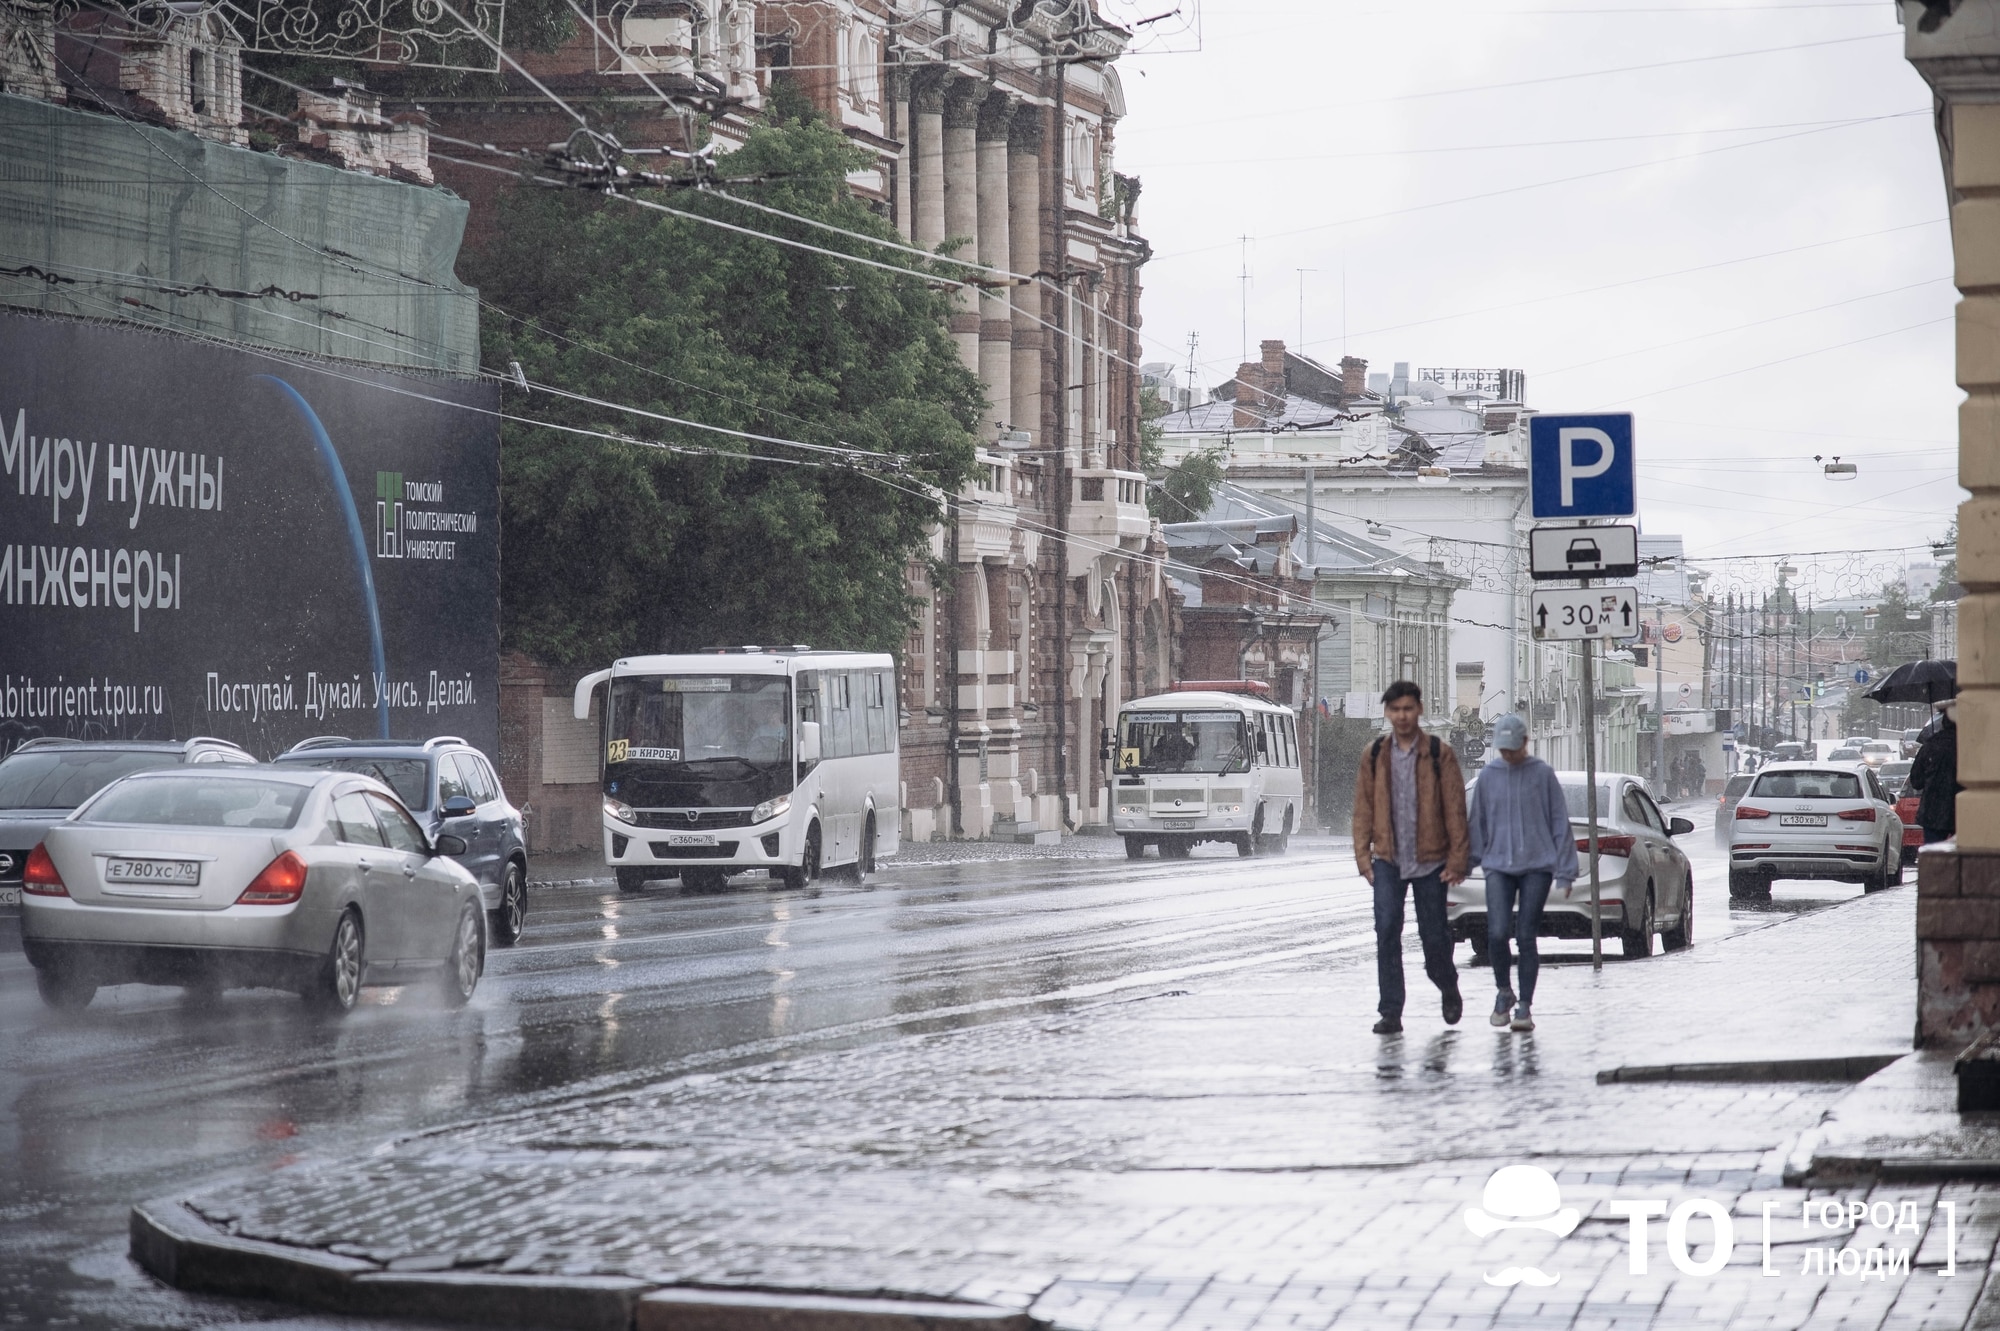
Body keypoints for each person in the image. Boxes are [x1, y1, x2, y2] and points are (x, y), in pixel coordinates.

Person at [1353, 681, 1470, 1035]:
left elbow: (1455, 809)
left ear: (1418, 709)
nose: (1402, 716)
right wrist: (1363, 858)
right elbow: (1362, 809)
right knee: (1386, 931)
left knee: (1434, 937)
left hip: (1431, 862)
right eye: (1395, 710)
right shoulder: (1374, 755)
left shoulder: (1438, 753)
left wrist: (1457, 859)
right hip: (1388, 860)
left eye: (1408, 709)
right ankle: (1390, 1011)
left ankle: (1447, 984)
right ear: (1387, 713)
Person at [1465, 713, 1574, 1034]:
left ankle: (1525, 1005)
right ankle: (1503, 991)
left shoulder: (1542, 775)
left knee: (1526, 935)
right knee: (1497, 932)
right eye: (1503, 749)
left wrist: (1566, 871)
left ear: (1525, 743)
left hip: (1536, 866)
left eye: (1513, 748)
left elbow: (1559, 822)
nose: (1508, 755)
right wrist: (1467, 863)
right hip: (1498, 865)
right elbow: (1478, 824)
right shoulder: (1488, 776)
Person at [1909, 699, 1960, 844]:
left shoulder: (1931, 746)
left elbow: (1916, 781)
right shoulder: (1970, 744)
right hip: (1963, 811)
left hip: (1933, 811)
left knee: (1934, 856)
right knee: (1966, 855)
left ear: (1942, 723)